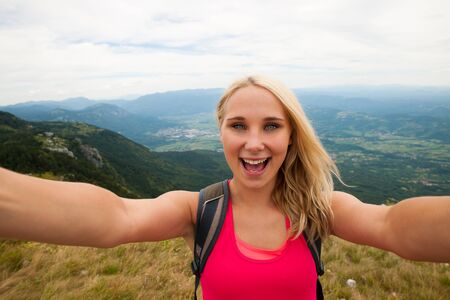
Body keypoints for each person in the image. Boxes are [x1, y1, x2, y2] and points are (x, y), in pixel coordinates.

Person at [0, 75, 449, 299]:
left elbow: (395, 226)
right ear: (222, 132)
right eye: (238, 125)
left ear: (291, 136)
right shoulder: (198, 211)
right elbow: (114, 217)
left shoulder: (321, 209)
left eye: (271, 126)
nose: (254, 143)